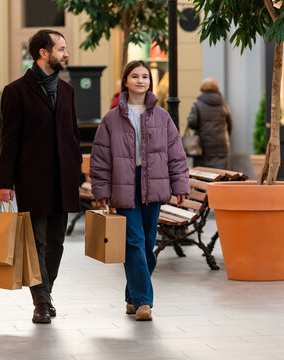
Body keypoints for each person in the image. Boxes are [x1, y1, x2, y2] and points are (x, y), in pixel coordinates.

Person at [90, 60, 189, 321]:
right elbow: (100, 159)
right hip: (124, 184)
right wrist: (102, 191)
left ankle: (131, 295)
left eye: (145, 76)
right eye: (135, 76)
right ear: (125, 81)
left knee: (146, 243)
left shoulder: (163, 116)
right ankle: (144, 302)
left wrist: (180, 185)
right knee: (133, 241)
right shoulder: (111, 119)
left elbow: (176, 155)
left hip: (153, 182)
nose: (141, 80)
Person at [0, 29, 82, 324]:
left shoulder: (68, 91)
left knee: (57, 242)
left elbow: (72, 136)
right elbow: (9, 141)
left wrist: (78, 174)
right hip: (32, 180)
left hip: (64, 180)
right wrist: (5, 183)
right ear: (43, 53)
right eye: (61, 49)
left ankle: (45, 292)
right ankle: (41, 303)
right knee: (35, 241)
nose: (66, 54)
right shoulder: (15, 91)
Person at [187, 78, 233, 169]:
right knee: (221, 174)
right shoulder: (223, 103)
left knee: (204, 173)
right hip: (221, 144)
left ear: (202, 88)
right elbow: (230, 124)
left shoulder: (198, 104)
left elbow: (192, 123)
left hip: (203, 144)